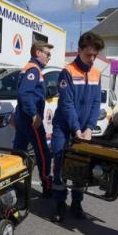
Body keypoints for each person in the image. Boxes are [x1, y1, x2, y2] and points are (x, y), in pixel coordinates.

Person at [51, 32, 105, 222]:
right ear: (80, 50)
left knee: (81, 168)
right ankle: (59, 202)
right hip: (64, 128)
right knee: (60, 164)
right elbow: (67, 104)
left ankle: (76, 203)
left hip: (84, 129)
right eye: (89, 55)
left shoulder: (96, 73)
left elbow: (96, 102)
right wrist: (76, 130)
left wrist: (89, 128)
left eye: (95, 56)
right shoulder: (68, 71)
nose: (92, 59)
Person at [13, 41, 54, 198]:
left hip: (23, 118)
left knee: (18, 151)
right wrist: (34, 114)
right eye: (47, 54)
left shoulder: (30, 68)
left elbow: (21, 94)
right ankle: (46, 184)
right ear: (37, 52)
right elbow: (24, 94)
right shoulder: (33, 69)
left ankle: (13, 182)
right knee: (43, 152)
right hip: (30, 120)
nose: (49, 57)